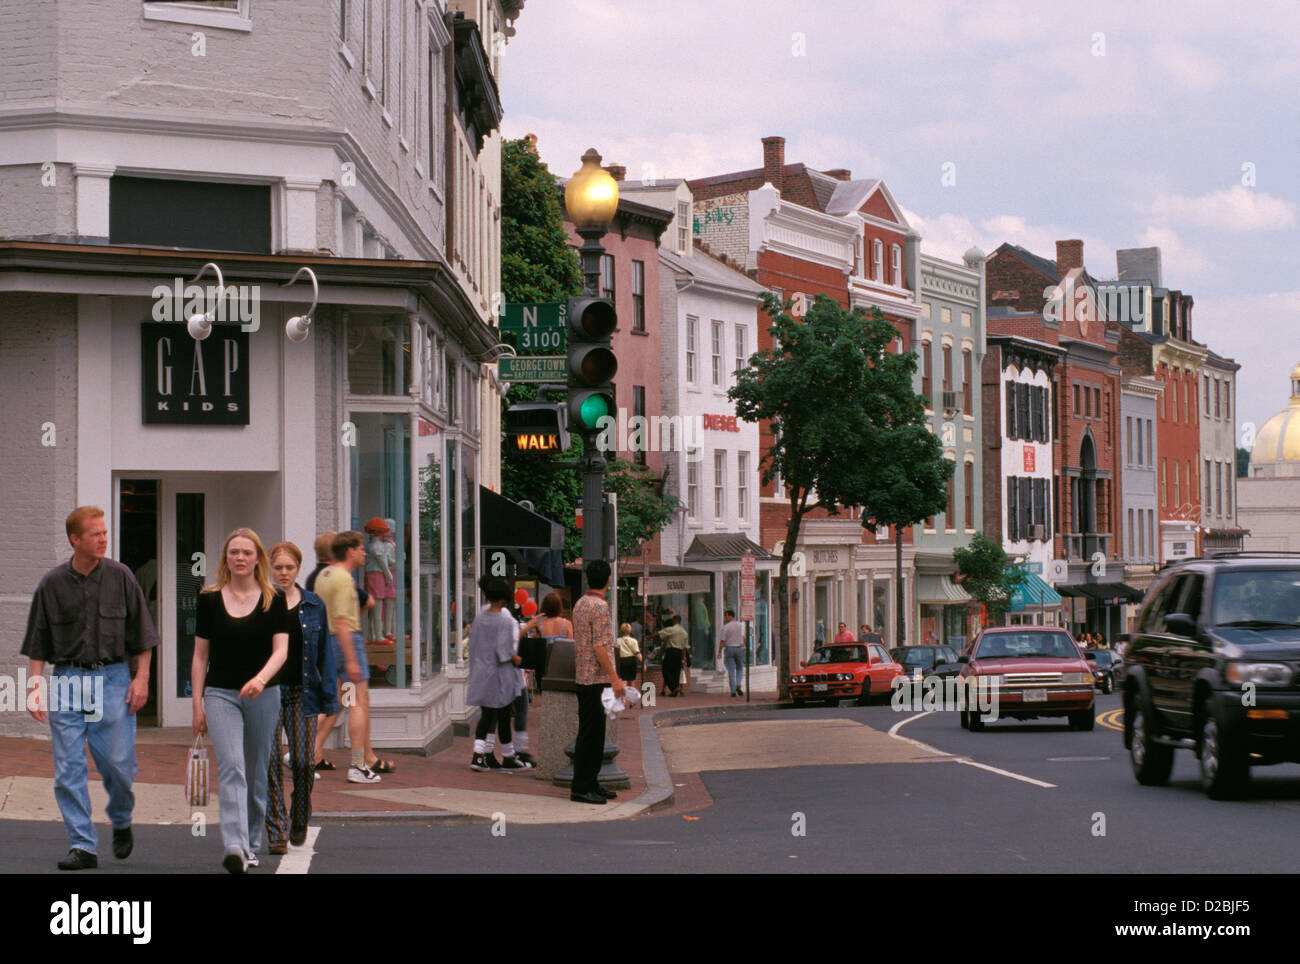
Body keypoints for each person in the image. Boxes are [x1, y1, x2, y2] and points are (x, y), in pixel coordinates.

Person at [22, 506, 158, 871]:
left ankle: (122, 818)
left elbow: (143, 634)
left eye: (104, 533)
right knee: (68, 769)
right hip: (68, 679)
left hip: (113, 680)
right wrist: (35, 687)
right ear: (75, 539)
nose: (103, 539)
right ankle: (83, 844)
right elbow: (38, 643)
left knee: (116, 764)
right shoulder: (52, 584)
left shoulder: (121, 576)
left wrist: (142, 678)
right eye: (95, 534)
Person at [192, 527, 290, 874]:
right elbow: (200, 657)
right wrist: (197, 705)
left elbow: (282, 650)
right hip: (221, 694)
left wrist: (260, 680)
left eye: (247, 552)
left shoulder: (273, 598)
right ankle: (233, 844)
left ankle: (250, 844)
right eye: (234, 552)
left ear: (258, 558)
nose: (240, 558)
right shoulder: (209, 599)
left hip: (264, 694)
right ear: (226, 559)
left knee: (256, 770)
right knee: (232, 766)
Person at [265, 542, 339, 855]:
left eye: (289, 567)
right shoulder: (263, 602)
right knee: (268, 763)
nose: (283, 573)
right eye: (278, 567)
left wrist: (329, 696)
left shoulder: (313, 604)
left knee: (304, 761)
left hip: (302, 690)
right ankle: (276, 830)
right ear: (270, 567)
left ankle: (299, 815)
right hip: (267, 690)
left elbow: (325, 653)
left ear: (298, 568)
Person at [313, 531, 390, 785]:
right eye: (360, 548)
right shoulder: (344, 579)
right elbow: (343, 622)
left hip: (328, 645)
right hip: (346, 644)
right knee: (359, 704)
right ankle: (358, 764)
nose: (364, 552)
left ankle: (309, 751)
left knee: (341, 701)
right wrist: (353, 660)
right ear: (349, 551)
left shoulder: (323, 576)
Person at [571, 560, 625, 805]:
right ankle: (582, 787)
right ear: (608, 579)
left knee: (589, 733)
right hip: (596, 678)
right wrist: (615, 678)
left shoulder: (580, 604)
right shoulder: (601, 606)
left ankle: (590, 782)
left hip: (582, 676)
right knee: (592, 736)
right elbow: (600, 646)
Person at [467, 578, 531, 771]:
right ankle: (508, 755)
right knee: (504, 715)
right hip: (500, 675)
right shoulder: (504, 619)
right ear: (504, 599)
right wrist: (516, 659)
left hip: (481, 671)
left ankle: (479, 755)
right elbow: (504, 650)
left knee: (486, 715)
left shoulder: (479, 617)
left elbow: (473, 644)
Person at [514, 592, 572, 768]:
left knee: (547, 699)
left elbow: (533, 646)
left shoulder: (539, 625)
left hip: (542, 669)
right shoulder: (566, 624)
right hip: (561, 669)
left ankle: (549, 722)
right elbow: (572, 645)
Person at [651, 614, 689, 697]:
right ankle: (674, 689)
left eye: (672, 620)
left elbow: (659, 633)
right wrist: (683, 656)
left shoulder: (672, 629)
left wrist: (648, 637)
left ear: (675, 620)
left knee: (665, 669)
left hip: (671, 651)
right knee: (676, 672)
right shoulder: (684, 632)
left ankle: (674, 688)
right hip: (679, 653)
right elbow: (684, 647)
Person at [716, 609, 746, 697]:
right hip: (739, 648)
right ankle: (738, 684)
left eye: (726, 616)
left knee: (731, 670)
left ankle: (733, 690)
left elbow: (722, 641)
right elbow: (745, 638)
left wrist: (719, 652)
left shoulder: (726, 627)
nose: (725, 618)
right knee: (740, 668)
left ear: (730, 616)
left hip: (729, 649)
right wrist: (746, 647)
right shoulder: (741, 625)